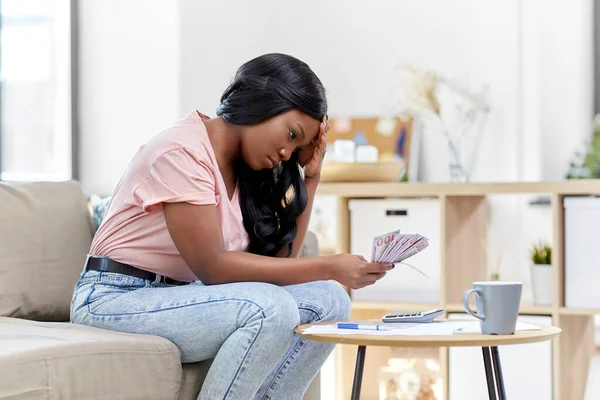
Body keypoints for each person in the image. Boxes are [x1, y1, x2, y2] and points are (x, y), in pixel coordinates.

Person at [70, 53, 393, 400]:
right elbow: (213, 267)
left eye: (298, 147)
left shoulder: (246, 170)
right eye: (291, 134)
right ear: (261, 103)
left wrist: (310, 177)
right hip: (113, 297)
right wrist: (330, 264)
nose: (288, 153)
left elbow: (281, 267)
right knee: (269, 308)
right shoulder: (182, 151)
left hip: (180, 295)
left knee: (330, 300)